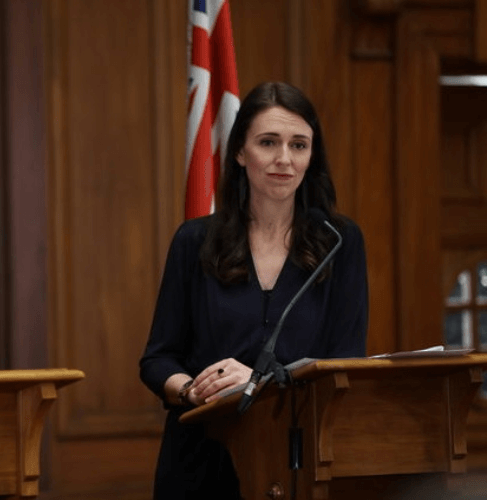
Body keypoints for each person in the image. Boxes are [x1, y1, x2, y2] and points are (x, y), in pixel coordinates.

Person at [139, 81, 368, 499]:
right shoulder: (194, 241)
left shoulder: (339, 240)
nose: (284, 159)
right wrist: (193, 391)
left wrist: (261, 384)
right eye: (268, 142)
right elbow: (158, 358)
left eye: (299, 145)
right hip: (202, 458)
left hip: (299, 459)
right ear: (241, 153)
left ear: (311, 156)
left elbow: (346, 361)